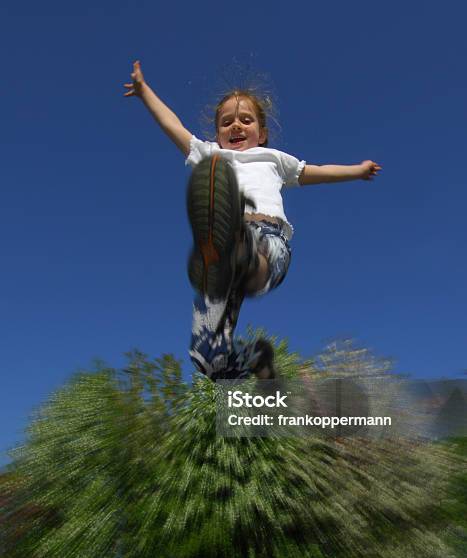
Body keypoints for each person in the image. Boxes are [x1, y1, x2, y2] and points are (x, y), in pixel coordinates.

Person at [124, 61, 382, 381]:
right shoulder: (211, 155)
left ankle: (237, 249)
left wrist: (357, 171)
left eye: (246, 121)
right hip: (228, 256)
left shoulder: (273, 159)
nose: (236, 126)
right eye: (227, 122)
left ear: (262, 134)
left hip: (268, 241)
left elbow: (317, 171)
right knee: (206, 358)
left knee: (238, 243)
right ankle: (254, 360)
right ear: (217, 134)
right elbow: (173, 127)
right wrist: (145, 92)